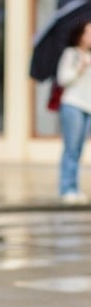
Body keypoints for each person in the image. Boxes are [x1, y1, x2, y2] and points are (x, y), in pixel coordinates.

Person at [56, 21, 91, 204]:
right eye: (89, 32)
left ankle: (75, 188)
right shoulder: (70, 54)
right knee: (71, 148)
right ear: (81, 35)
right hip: (73, 105)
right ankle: (66, 188)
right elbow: (63, 79)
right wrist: (80, 68)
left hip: (88, 107)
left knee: (79, 150)